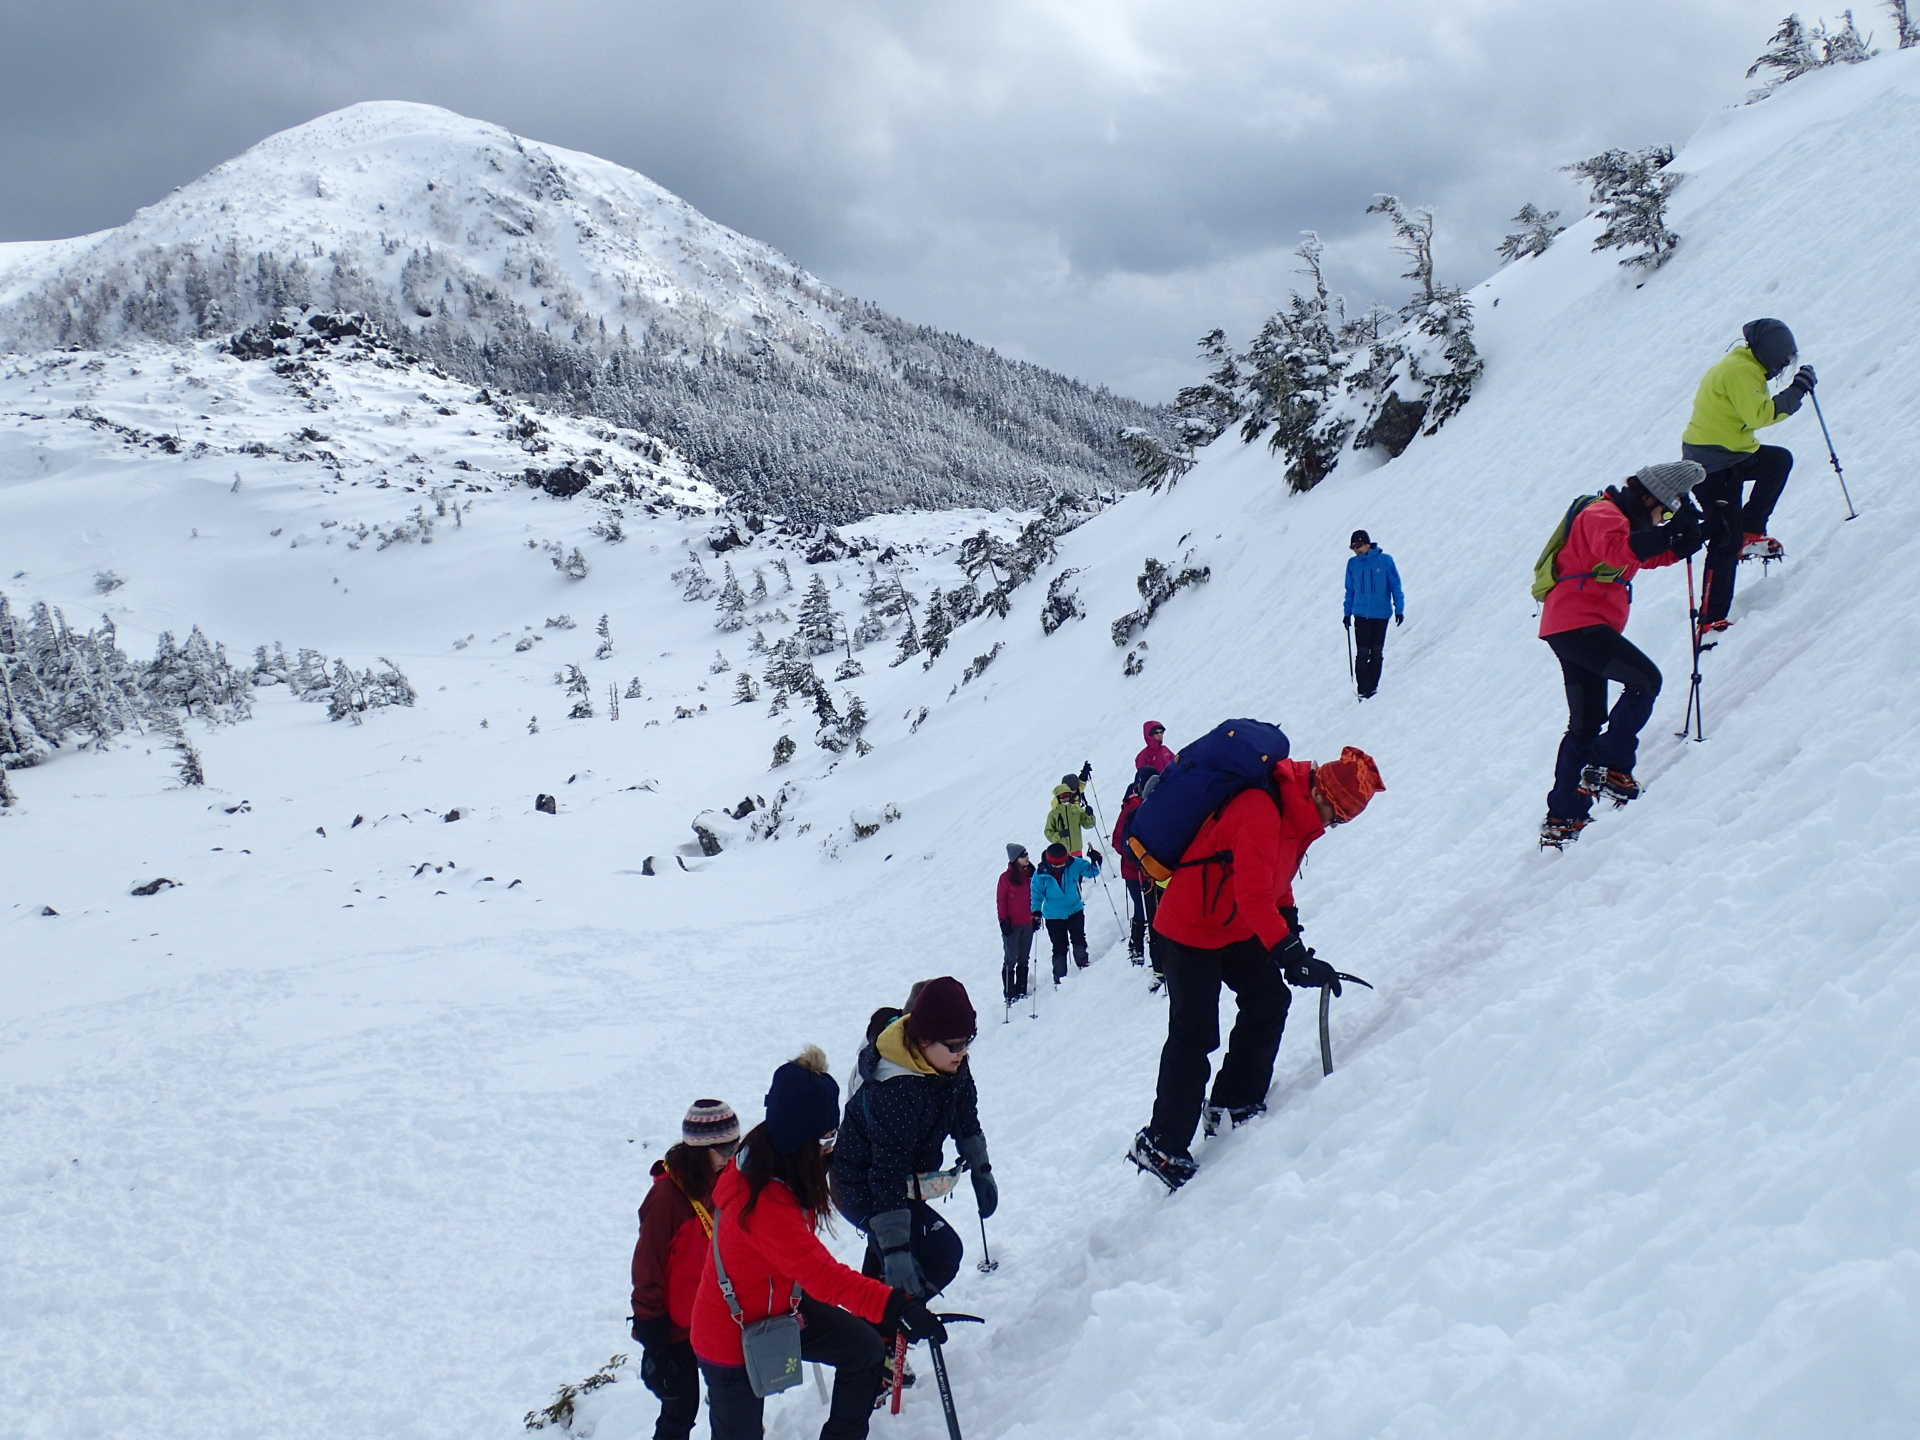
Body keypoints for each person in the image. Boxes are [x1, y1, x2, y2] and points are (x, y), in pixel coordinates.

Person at [1128, 746, 1384, 1190]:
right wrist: (1290, 954)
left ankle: (1233, 1102)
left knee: (1268, 999)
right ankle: (1162, 1144)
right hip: (1189, 926)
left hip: (1233, 925)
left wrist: (1292, 937)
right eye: (1338, 816)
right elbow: (1253, 894)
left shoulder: (1296, 815)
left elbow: (1274, 882)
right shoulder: (1262, 810)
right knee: (1195, 1034)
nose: (1334, 825)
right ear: (1323, 794)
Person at [691, 1048, 946, 1440]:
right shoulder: (761, 1205)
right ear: (799, 1138)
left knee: (862, 1351)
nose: (832, 1145)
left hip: (783, 1308)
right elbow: (824, 1276)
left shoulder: (770, 1156)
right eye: (826, 1136)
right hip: (730, 1337)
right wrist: (896, 1306)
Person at [1537, 462, 1705, 849]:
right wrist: (1669, 534)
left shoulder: (1620, 520)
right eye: (1662, 510)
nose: (1661, 517)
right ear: (1649, 497)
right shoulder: (1602, 513)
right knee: (1645, 680)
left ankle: (1564, 815)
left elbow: (1640, 556)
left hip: (1571, 624)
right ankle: (1609, 765)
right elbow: (1620, 551)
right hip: (1580, 623)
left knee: (1586, 721)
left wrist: (1680, 542)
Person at [834, 977, 994, 1317]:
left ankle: (875, 1335)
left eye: (968, 1042)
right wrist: (896, 1250)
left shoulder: (950, 1064)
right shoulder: (894, 1089)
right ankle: (882, 1337)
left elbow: (965, 1118)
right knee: (940, 1253)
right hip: (862, 1186)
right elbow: (885, 1174)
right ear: (923, 1040)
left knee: (897, 1263)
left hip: (900, 1183)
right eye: (953, 1045)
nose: (963, 1052)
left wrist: (981, 1169)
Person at [1680, 318, 1816, 631]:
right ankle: (1710, 619)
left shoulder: (1746, 365)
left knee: (1777, 462)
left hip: (1732, 454)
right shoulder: (1740, 371)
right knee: (1723, 541)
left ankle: (1750, 532)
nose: (1783, 365)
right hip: (1711, 466)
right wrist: (1796, 391)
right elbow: (1760, 414)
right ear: (1769, 353)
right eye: (1782, 359)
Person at [630, 1100, 739, 1440]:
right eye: (723, 1149)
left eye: (735, 1147)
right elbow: (647, 1266)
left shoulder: (724, 1183)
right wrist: (650, 1327)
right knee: (681, 1409)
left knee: (733, 1401)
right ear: (700, 1149)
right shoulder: (666, 1199)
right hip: (674, 1327)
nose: (730, 1156)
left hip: (714, 1316)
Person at [1342, 530, 1405, 700]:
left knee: (1376, 652)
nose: (1356, 550)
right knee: (1362, 653)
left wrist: (1399, 608)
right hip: (1361, 615)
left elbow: (1395, 585)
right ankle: (1363, 689)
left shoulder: (1385, 561)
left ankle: (1373, 687)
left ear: (1367, 544)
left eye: (1358, 546)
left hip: (1381, 615)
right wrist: (1347, 612)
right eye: (1352, 547)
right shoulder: (1353, 564)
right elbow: (1350, 590)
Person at [1032, 842, 1102, 982]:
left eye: (1062, 863)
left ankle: (1083, 964)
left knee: (1078, 938)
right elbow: (1036, 894)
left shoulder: (1075, 863)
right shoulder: (1040, 874)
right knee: (1059, 946)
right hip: (1053, 916)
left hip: (1074, 909)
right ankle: (1059, 977)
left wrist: (1097, 859)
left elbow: (1092, 871)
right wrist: (1036, 912)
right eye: (1056, 865)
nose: (1060, 866)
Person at [1112, 768, 1160, 965]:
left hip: (1154, 868)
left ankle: (1151, 947)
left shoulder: (1157, 803)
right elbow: (1117, 841)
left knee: (1155, 909)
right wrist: (1134, 857)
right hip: (1135, 871)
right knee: (1142, 908)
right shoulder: (1131, 808)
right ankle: (1136, 945)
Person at [996, 844, 1037, 1005]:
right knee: (1010, 959)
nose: (1027, 857)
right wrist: (1003, 921)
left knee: (1024, 958)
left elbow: (1036, 896)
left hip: (1028, 922)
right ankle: (1009, 992)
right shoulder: (1005, 879)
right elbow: (1001, 901)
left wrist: (1035, 917)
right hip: (1012, 925)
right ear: (1015, 859)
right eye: (1023, 855)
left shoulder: (1032, 875)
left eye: (1027, 854)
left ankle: (1021, 989)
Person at [1043, 774, 1095, 855]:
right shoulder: (1054, 813)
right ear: (1058, 797)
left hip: (1077, 850)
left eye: (1067, 795)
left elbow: (1089, 824)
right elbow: (1048, 832)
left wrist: (1089, 815)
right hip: (1062, 852)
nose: (1065, 798)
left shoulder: (1076, 810)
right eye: (1062, 796)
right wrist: (1059, 835)